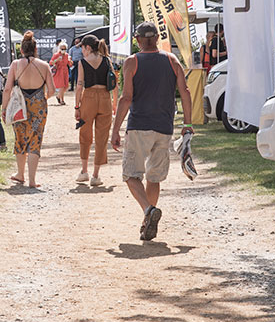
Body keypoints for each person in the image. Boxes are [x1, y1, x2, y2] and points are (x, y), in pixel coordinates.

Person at [111, 22, 193, 241]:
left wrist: (115, 129)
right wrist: (188, 123)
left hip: (139, 126)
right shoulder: (171, 60)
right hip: (164, 127)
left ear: (137, 39)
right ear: (157, 38)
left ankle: (148, 210)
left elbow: (126, 97)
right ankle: (148, 220)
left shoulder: (132, 62)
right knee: (154, 177)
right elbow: (185, 91)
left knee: (131, 175)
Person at [2, 31, 53, 188]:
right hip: (39, 107)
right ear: (35, 49)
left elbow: (7, 89)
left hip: (19, 107)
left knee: (20, 138)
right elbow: (52, 91)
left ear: (22, 50)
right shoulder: (44, 66)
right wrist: (41, 97)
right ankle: (32, 180)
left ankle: (20, 174)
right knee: (35, 140)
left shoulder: (16, 65)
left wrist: (4, 109)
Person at [73, 35, 114, 187]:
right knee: (102, 136)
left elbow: (79, 85)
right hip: (104, 98)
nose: (82, 51)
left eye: (82, 48)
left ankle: (84, 171)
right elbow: (113, 82)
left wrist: (77, 106)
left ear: (88, 47)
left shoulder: (83, 63)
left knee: (85, 134)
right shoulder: (106, 60)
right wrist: (114, 103)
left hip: (88, 98)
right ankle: (96, 175)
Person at [48, 41, 72, 105]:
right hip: (59, 71)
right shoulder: (56, 54)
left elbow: (69, 64)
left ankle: (58, 96)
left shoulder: (67, 55)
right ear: (59, 48)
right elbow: (51, 62)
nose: (63, 50)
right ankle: (62, 100)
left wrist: (70, 61)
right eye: (62, 49)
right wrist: (57, 60)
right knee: (61, 86)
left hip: (65, 71)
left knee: (66, 86)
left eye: (64, 49)